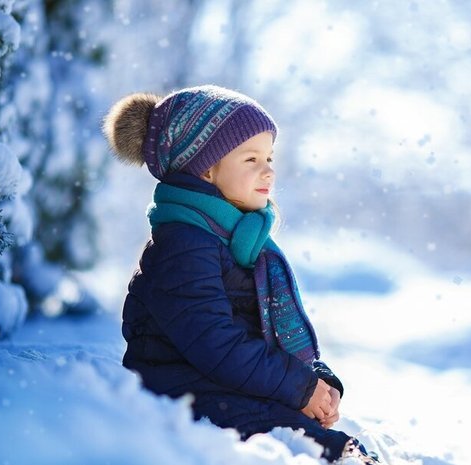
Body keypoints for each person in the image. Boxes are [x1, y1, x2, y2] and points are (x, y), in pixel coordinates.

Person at [102, 85, 379, 464]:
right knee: (317, 449)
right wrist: (300, 388)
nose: (268, 170)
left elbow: (262, 332)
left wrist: (318, 382)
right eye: (251, 159)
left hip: (225, 385)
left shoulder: (240, 239)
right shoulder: (184, 245)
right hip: (182, 392)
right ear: (206, 168)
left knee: (331, 444)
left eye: (269, 157)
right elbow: (216, 343)